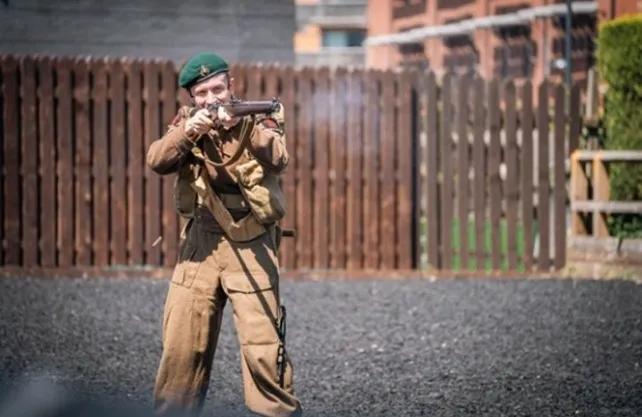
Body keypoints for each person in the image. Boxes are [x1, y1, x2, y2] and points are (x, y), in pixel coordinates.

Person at [146, 52, 302, 417]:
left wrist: (241, 126)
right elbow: (157, 161)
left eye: (217, 88)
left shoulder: (258, 116)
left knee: (263, 347)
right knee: (182, 344)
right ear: (191, 97)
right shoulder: (186, 123)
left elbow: (278, 157)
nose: (211, 98)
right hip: (201, 241)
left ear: (232, 86)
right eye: (202, 93)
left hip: (250, 240)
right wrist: (189, 131)